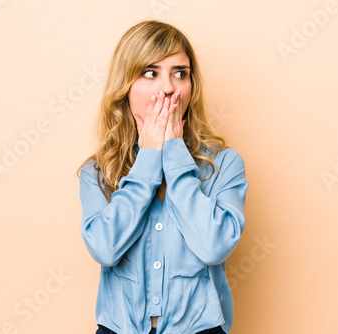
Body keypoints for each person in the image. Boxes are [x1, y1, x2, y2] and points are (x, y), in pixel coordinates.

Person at [77, 20, 248, 334]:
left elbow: (213, 246)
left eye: (180, 73)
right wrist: (149, 158)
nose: (168, 88)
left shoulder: (225, 165)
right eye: (150, 72)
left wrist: (173, 153)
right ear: (125, 85)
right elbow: (104, 248)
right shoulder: (97, 171)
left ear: (191, 86)